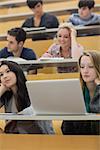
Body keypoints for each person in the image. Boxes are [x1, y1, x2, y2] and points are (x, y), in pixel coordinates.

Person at [0, 60, 54, 134]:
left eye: (8, 71)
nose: (5, 76)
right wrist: (1, 91)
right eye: (1, 75)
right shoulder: (6, 96)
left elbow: (36, 111)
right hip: (14, 138)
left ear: (17, 72)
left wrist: (16, 117)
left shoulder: (31, 91)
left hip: (37, 137)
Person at [61, 51, 100, 135]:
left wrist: (99, 88)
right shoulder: (76, 92)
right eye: (82, 67)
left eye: (90, 67)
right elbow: (66, 128)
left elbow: (96, 112)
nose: (85, 71)